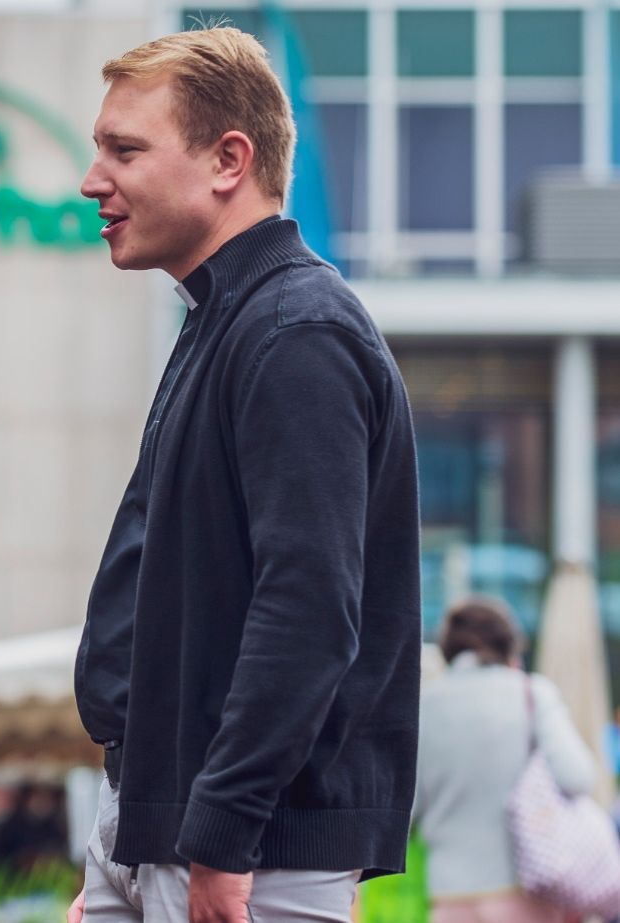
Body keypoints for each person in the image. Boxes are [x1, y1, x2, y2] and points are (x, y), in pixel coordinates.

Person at [68, 27, 422, 923]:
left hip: (247, 852)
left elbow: (309, 607)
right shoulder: (232, 323)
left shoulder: (296, 332)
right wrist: (125, 840)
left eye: (124, 150)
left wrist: (222, 836)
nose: (92, 180)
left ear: (229, 160)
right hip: (169, 827)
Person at [415, 598, 596, 923]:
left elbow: (409, 806)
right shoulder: (532, 693)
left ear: (448, 649)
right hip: (524, 884)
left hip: (448, 892)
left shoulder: (424, 705)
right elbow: (577, 777)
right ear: (509, 644)